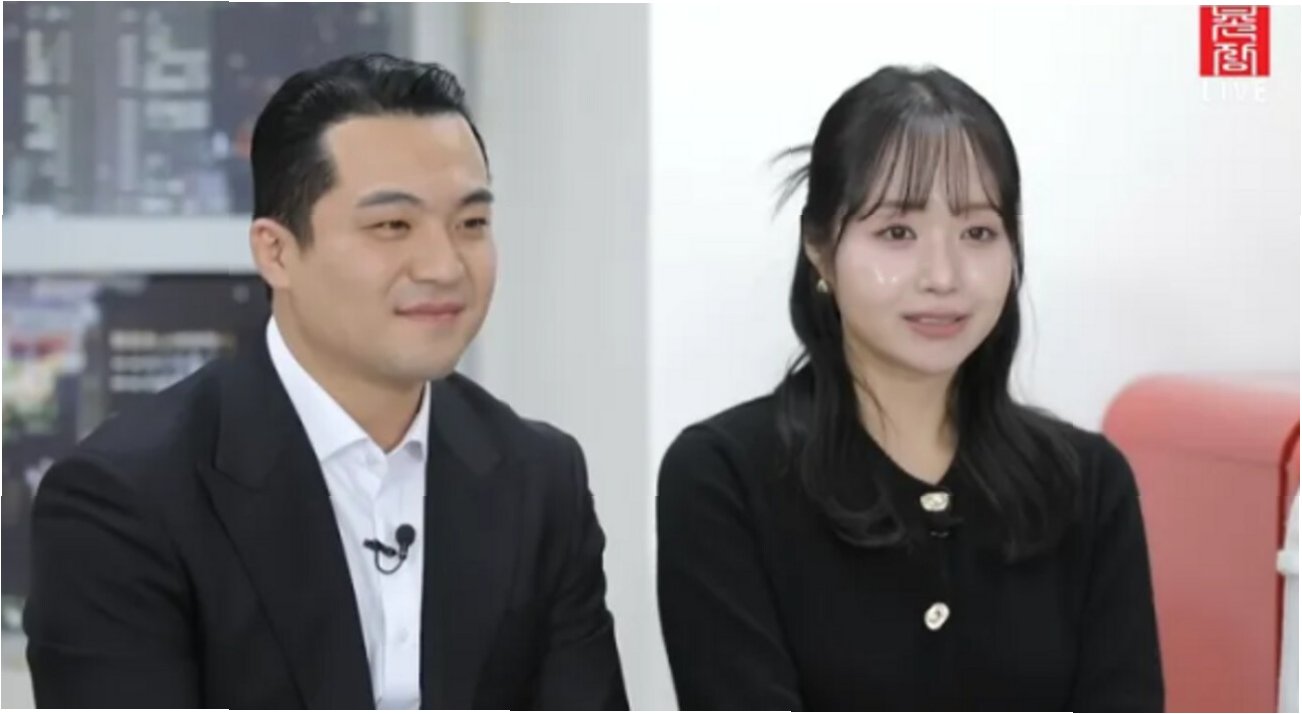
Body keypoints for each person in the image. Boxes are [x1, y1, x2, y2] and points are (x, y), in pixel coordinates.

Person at [25, 53, 628, 710]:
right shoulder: (125, 498)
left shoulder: (539, 477)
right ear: (276, 252)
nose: (444, 265)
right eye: (392, 226)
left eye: (471, 224)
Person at [656, 66, 1163, 711]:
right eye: (897, 233)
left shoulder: (1087, 484)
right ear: (819, 247)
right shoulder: (724, 477)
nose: (943, 276)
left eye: (978, 233)